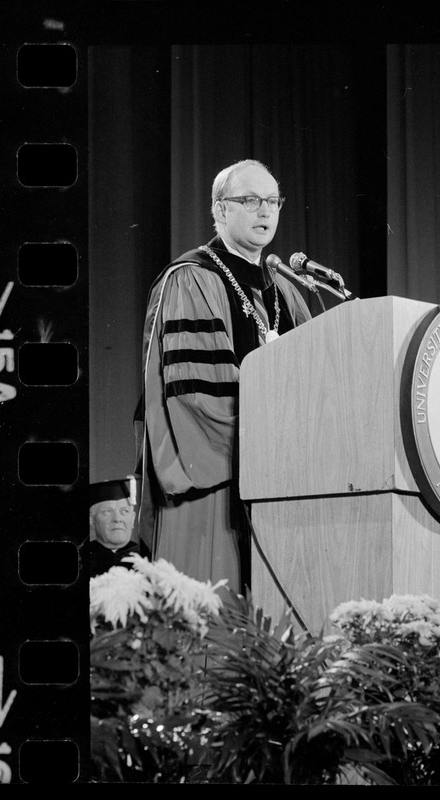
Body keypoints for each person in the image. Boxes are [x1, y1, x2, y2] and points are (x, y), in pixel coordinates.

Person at [136, 159, 313, 592]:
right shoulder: (192, 279)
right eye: (250, 200)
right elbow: (197, 396)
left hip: (286, 484)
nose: (264, 211)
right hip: (216, 484)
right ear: (219, 210)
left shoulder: (287, 292)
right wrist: (275, 438)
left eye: (272, 201)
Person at [87, 477, 151, 577]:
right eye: (107, 511)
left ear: (133, 519)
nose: (117, 519)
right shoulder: (81, 560)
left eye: (124, 511)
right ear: (91, 520)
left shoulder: (147, 559)